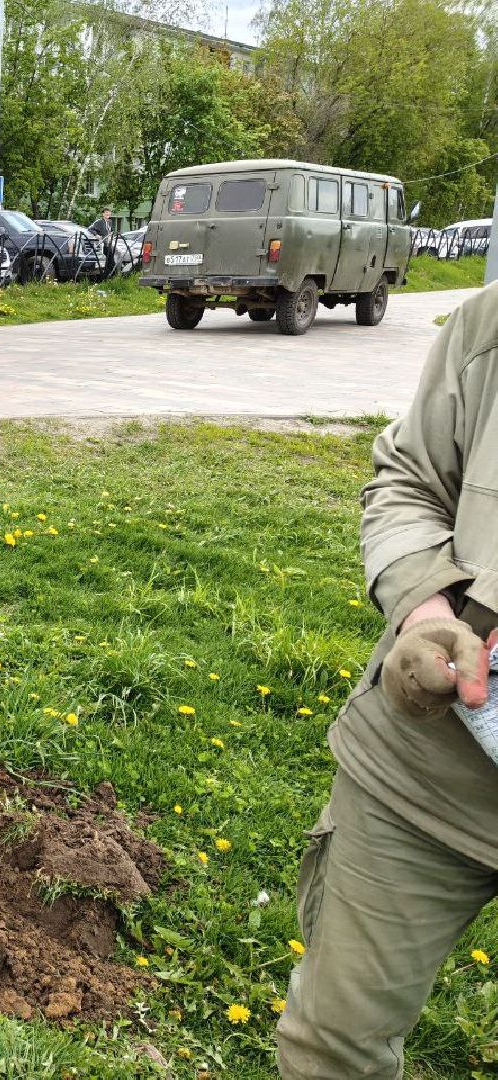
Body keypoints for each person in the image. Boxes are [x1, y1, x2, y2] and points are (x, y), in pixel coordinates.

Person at [276, 282, 498, 1078]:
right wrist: (422, 608)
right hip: (426, 772)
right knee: (333, 1046)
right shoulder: (491, 324)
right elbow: (407, 480)